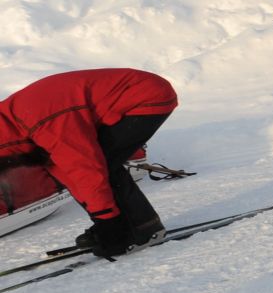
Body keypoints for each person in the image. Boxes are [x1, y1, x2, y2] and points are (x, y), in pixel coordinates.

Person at [0, 68, 178, 255]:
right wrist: (100, 218)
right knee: (89, 168)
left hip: (145, 96)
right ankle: (127, 225)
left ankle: (140, 229)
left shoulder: (42, 123)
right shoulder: (17, 123)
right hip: (114, 103)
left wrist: (107, 221)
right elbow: (65, 173)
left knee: (102, 165)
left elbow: (86, 169)